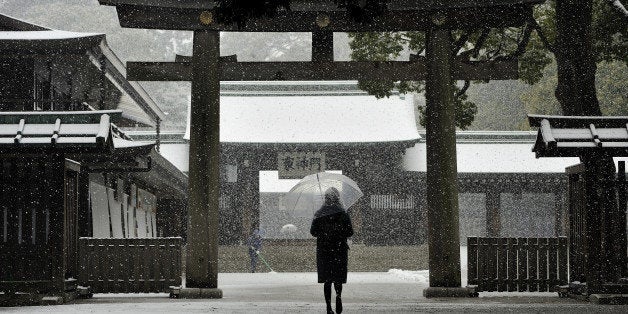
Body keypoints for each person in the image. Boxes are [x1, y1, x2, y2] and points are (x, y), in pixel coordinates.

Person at [310, 187, 354, 314]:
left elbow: (313, 232)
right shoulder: (343, 213)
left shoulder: (319, 213)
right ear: (337, 198)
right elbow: (350, 231)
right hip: (339, 249)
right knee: (338, 277)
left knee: (327, 279)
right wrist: (339, 233)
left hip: (324, 250)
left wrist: (324, 232)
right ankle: (338, 296)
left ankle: (328, 306)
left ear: (325, 198)